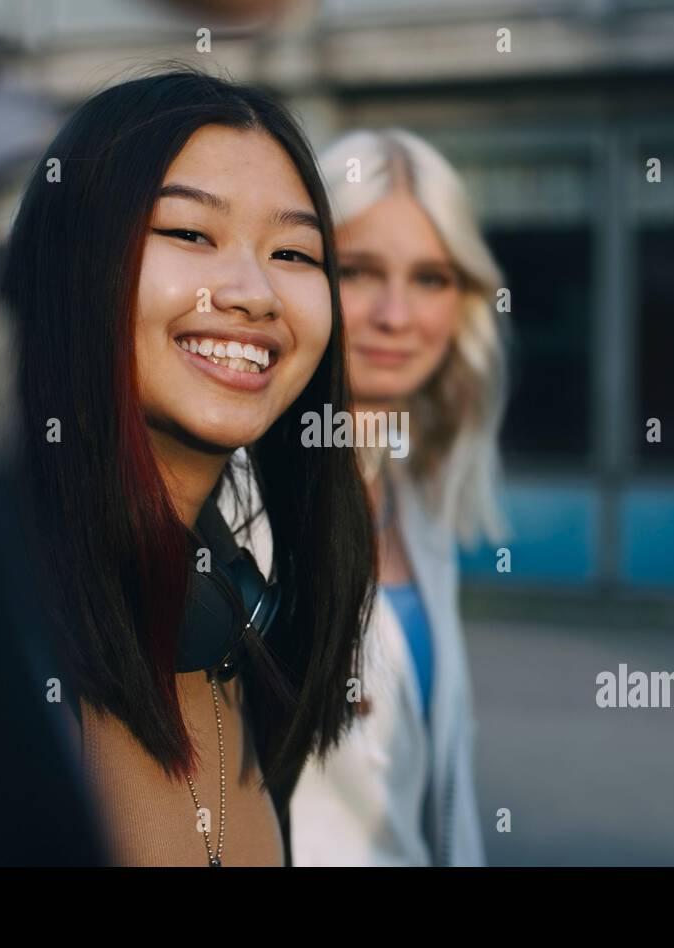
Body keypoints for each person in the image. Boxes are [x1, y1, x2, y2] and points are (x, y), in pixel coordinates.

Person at [1, 68, 376, 867]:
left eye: (293, 252)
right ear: (73, 264)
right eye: (189, 234)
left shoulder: (233, 639)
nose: (252, 292)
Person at [287, 128, 511, 866]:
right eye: (356, 270)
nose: (395, 314)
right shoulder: (237, 512)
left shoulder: (418, 501)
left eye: (431, 278)